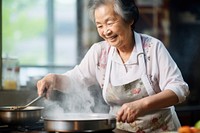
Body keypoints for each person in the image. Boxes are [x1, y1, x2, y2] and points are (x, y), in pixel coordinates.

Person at [37, 0, 190, 132]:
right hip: (120, 131)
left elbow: (179, 89)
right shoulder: (100, 52)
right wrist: (54, 79)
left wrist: (141, 104)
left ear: (129, 20)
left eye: (110, 23)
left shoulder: (153, 48)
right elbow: (76, 80)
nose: (106, 31)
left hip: (161, 130)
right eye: (100, 25)